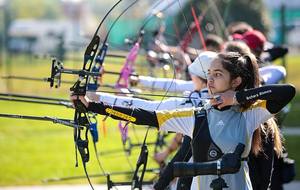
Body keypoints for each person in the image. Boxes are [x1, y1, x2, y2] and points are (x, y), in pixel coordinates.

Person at [72, 51, 295, 190]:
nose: (210, 80)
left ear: (236, 81)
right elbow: (143, 115)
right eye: (209, 73)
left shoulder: (249, 116)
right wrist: (93, 106)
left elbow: (287, 91)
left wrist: (236, 98)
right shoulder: (195, 115)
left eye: (217, 74)